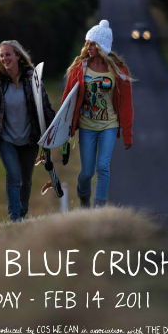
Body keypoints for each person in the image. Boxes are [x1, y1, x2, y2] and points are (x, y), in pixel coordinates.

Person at [61, 20, 134, 208]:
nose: (89, 47)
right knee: (86, 172)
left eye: (93, 43)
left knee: (103, 167)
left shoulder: (118, 71)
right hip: (87, 126)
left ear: (102, 46)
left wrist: (127, 134)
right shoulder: (80, 68)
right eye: (88, 42)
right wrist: (64, 127)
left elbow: (126, 104)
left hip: (109, 125)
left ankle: (99, 207)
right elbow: (67, 100)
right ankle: (84, 196)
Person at [0, 40, 54, 222]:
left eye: (8, 54)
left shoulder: (32, 79)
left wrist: (56, 130)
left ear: (18, 56)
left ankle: (22, 213)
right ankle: (15, 219)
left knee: (26, 180)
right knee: (14, 176)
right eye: (2, 55)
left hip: (29, 139)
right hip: (6, 140)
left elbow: (45, 107)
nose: (5, 58)